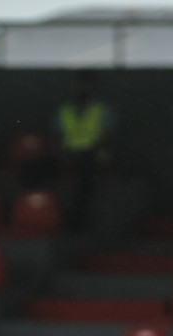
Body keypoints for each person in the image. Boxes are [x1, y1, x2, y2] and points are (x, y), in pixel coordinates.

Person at [52, 71, 115, 228]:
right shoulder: (64, 110)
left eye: (86, 85)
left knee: (86, 172)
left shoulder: (102, 110)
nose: (82, 89)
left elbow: (107, 137)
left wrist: (87, 152)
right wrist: (67, 155)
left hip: (95, 158)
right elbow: (57, 139)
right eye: (79, 84)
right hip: (69, 158)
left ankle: (82, 221)